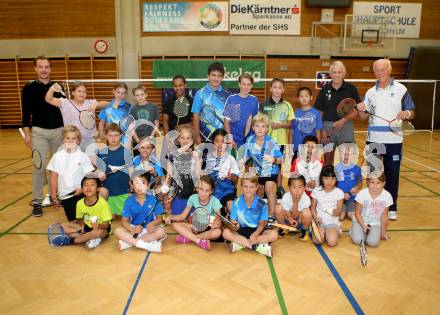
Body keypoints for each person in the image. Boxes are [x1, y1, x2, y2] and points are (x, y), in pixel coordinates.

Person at [357, 58, 415, 221]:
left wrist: (407, 114)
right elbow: (363, 117)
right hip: (374, 139)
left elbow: (411, 110)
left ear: (389, 70)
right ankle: (371, 204)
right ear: (373, 72)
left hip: (394, 140)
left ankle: (391, 207)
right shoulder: (370, 92)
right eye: (377, 70)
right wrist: (361, 108)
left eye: (383, 69)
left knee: (392, 173)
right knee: (373, 173)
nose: (380, 73)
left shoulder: (401, 89)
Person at [21, 55, 64, 217]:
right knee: (39, 166)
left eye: (46, 67)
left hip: (59, 132)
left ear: (50, 69)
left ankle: (57, 197)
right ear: (35, 69)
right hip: (39, 132)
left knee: (58, 167)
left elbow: (65, 109)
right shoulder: (29, 88)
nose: (44, 70)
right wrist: (27, 134)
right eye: (40, 67)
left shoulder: (58, 87)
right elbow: (26, 114)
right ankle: (37, 201)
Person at [47, 126, 108, 222]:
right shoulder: (57, 157)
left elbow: (89, 175)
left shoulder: (83, 156)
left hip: (83, 192)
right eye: (68, 138)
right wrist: (54, 197)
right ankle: (86, 223)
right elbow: (53, 177)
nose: (70, 141)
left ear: (78, 141)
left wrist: (98, 173)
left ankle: (95, 216)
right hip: (67, 196)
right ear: (63, 140)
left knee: (103, 191)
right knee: (75, 226)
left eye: (74, 138)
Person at [314, 61, 361, 165]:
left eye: (339, 72)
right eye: (334, 72)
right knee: (328, 161)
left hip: (346, 126)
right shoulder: (324, 90)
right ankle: (329, 180)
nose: (336, 75)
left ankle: (344, 181)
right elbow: (318, 113)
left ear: (344, 74)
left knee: (347, 159)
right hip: (327, 127)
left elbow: (356, 110)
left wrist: (343, 121)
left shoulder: (351, 88)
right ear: (330, 74)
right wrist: (322, 131)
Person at [49, 175, 112, 250]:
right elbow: (80, 219)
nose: (88, 188)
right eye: (85, 185)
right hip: (87, 228)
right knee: (63, 225)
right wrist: (81, 226)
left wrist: (98, 225)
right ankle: (89, 238)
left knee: (98, 233)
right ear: (82, 189)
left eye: (92, 185)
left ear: (98, 189)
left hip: (101, 229)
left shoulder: (103, 204)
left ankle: (70, 241)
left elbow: (106, 225)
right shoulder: (80, 203)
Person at [222, 176, 278, 258]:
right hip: (241, 230)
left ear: (256, 188)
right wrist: (234, 225)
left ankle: (241, 244)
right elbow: (233, 221)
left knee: (274, 234)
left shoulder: (261, 204)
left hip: (257, 230)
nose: (248, 190)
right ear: (241, 187)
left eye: (251, 187)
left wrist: (255, 234)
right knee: (225, 233)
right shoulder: (236, 202)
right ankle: (256, 246)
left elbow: (262, 224)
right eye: (245, 186)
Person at [45, 81, 108, 152]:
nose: (82, 93)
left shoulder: (90, 103)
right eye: (79, 91)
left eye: (84, 92)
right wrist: (52, 89)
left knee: (92, 162)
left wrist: (96, 105)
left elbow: (107, 104)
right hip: (72, 141)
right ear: (73, 93)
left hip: (89, 141)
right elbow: (48, 99)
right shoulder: (65, 103)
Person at [165, 175, 222, 250]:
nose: (203, 193)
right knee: (174, 224)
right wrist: (171, 217)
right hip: (196, 227)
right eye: (201, 189)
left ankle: (190, 238)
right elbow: (183, 216)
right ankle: (198, 241)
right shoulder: (192, 198)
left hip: (209, 229)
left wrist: (217, 222)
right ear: (197, 188)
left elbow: (219, 218)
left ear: (211, 191)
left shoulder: (215, 201)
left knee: (217, 232)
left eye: (207, 190)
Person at [259, 77, 294, 198]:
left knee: (279, 165)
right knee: (265, 164)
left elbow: (291, 124)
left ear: (283, 89)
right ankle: (265, 190)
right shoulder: (263, 104)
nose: (277, 90)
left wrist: (280, 125)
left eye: (280, 87)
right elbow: (259, 121)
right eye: (275, 87)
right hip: (266, 140)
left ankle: (278, 188)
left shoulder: (287, 105)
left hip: (281, 141)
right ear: (270, 89)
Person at [114, 171, 166, 252]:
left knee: (161, 232)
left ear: (148, 185)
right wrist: (132, 229)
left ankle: (129, 243)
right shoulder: (128, 201)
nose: (140, 186)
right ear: (132, 185)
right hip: (134, 229)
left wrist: (153, 224)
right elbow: (124, 221)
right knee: (117, 231)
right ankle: (147, 245)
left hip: (149, 230)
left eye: (143, 183)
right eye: (136, 183)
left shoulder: (154, 200)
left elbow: (160, 219)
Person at [241, 113, 282, 216]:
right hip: (258, 171)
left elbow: (281, 160)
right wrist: (241, 161)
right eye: (257, 126)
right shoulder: (250, 140)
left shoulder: (271, 141)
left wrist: (273, 159)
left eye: (263, 126)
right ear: (253, 127)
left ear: (267, 128)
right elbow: (246, 156)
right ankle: (258, 212)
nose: (260, 129)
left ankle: (272, 214)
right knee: (257, 191)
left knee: (268, 189)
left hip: (271, 170)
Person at [95, 123, 133, 219]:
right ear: (106, 136)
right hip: (109, 193)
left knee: (127, 218)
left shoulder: (126, 151)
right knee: (110, 218)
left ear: (121, 136)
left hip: (124, 192)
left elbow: (131, 169)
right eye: (110, 136)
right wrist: (99, 172)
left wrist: (133, 182)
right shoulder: (101, 152)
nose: (113, 138)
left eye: (116, 135)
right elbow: (98, 169)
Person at [165, 126, 201, 215]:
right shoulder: (172, 155)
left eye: (188, 138)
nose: (185, 141)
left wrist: (197, 158)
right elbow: (169, 176)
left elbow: (197, 176)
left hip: (191, 194)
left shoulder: (196, 155)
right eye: (182, 138)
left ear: (192, 140)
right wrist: (165, 189)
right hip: (176, 195)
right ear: (178, 139)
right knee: (175, 219)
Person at [192, 62, 230, 144]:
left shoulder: (226, 95)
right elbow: (195, 116)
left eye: (219, 76)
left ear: (222, 77)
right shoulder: (200, 94)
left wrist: (228, 138)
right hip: (204, 138)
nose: (216, 78)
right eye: (213, 75)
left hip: (222, 140)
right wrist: (197, 137)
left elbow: (227, 119)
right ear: (208, 76)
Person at [349, 173, 392, 246]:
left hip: (375, 223)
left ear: (383, 183)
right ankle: (353, 231)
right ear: (368, 182)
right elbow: (357, 213)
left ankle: (366, 233)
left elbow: (384, 216)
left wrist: (383, 232)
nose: (375, 186)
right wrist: (363, 226)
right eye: (372, 182)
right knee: (358, 240)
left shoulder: (387, 196)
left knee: (373, 242)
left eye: (378, 183)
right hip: (360, 221)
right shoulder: (362, 194)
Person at [203, 129, 240, 214]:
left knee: (231, 206)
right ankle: (220, 215)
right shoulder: (208, 158)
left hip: (227, 190)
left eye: (223, 141)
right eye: (217, 141)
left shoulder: (230, 159)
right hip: (213, 192)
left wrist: (231, 177)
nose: (220, 144)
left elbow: (236, 180)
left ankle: (235, 221)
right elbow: (205, 178)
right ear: (213, 143)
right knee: (216, 212)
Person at [310, 165, 344, 247]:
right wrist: (316, 218)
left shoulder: (339, 192)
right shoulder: (316, 191)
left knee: (332, 242)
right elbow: (313, 207)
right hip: (319, 222)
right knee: (318, 240)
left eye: (333, 178)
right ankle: (320, 230)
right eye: (326, 178)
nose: (330, 181)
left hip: (332, 222)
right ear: (322, 178)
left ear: (336, 179)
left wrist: (337, 212)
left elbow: (339, 209)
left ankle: (333, 231)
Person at [223, 73, 259, 149]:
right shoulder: (232, 99)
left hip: (249, 142)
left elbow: (256, 122)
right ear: (239, 84)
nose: (246, 87)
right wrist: (231, 140)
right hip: (234, 142)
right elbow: (226, 122)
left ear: (252, 86)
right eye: (244, 84)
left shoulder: (254, 100)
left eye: (248, 84)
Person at [275, 176, 313, 241]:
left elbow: (297, 216)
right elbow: (287, 212)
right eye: (294, 187)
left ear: (304, 188)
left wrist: (295, 203)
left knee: (307, 212)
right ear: (289, 188)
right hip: (288, 220)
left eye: (300, 187)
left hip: (299, 222)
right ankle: (284, 227)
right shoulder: (286, 196)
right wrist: (290, 220)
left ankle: (304, 230)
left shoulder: (306, 198)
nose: (297, 190)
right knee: (278, 208)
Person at [291, 87, 322, 155]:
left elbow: (318, 132)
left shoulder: (316, 113)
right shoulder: (295, 113)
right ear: (298, 99)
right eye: (301, 96)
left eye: (306, 96)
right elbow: (292, 131)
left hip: (310, 149)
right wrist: (290, 147)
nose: (304, 98)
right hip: (297, 148)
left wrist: (317, 147)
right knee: (296, 165)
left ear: (311, 97)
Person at [335, 144, 362, 221]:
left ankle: (349, 209)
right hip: (340, 198)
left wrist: (356, 188)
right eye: (344, 154)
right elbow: (333, 185)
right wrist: (342, 194)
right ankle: (343, 209)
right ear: (340, 155)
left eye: (349, 154)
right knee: (341, 217)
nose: (346, 156)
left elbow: (360, 182)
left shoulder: (357, 168)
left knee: (351, 215)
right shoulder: (336, 168)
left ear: (353, 156)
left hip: (351, 198)